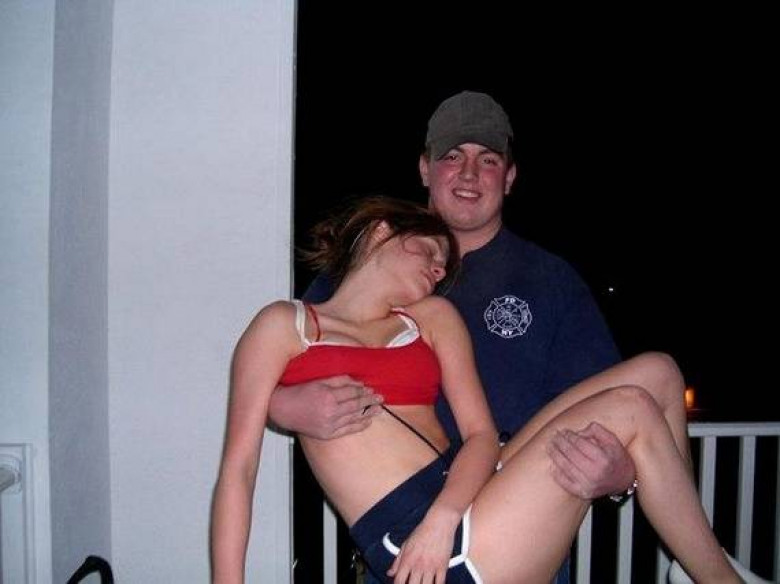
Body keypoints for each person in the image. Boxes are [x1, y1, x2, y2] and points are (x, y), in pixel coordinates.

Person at [210, 196, 746, 583]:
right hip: (423, 540)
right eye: (428, 251)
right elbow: (239, 469)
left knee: (658, 372)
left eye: (443, 264)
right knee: (630, 406)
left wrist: (443, 517)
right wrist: (283, 405)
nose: (439, 268)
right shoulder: (287, 324)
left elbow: (481, 436)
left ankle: (693, 564)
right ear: (379, 232)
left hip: (465, 500)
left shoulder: (432, 318)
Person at [270, 91, 635, 582]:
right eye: (452, 156)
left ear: (509, 178)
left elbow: (610, 404)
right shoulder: (359, 272)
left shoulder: (553, 280)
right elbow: (268, 371)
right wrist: (286, 407)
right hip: (401, 552)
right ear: (425, 169)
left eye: (488, 160)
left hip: (518, 547)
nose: (468, 173)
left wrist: (621, 477)